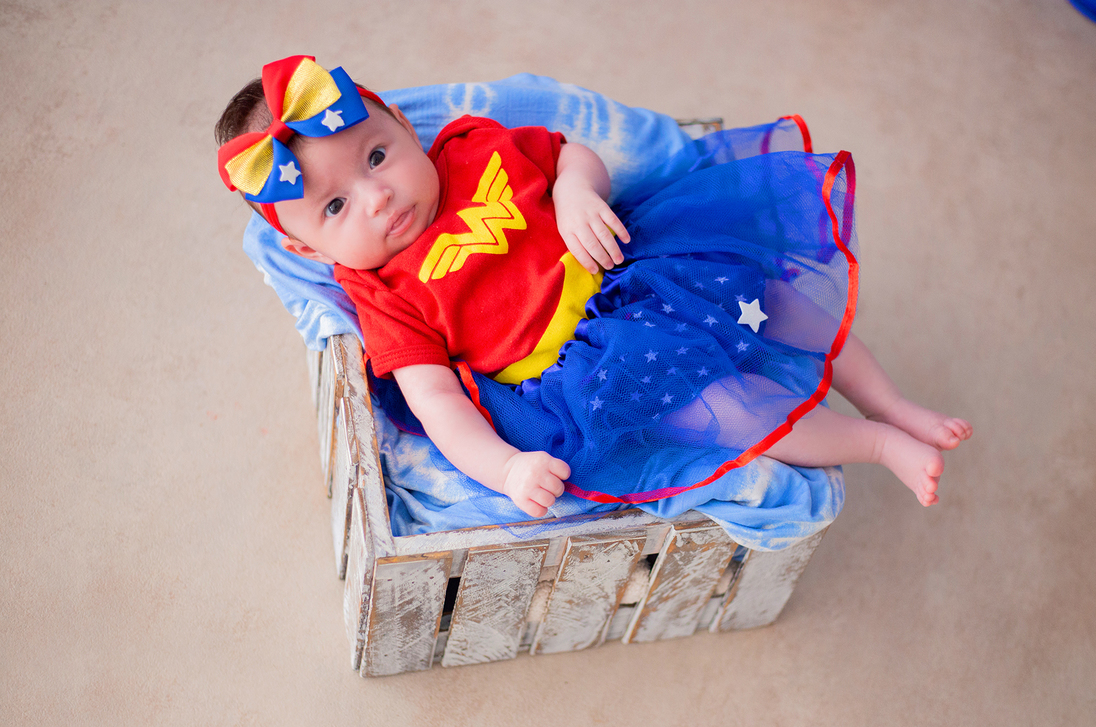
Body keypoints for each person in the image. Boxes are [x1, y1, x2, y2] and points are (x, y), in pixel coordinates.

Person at [216, 56, 972, 519]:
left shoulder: (472, 150)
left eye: (376, 154)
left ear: (403, 129)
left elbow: (573, 156)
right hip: (593, 368)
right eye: (337, 207)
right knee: (728, 413)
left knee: (777, 298)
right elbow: (438, 405)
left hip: (641, 268)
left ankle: (887, 400)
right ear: (301, 244)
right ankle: (871, 444)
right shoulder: (384, 296)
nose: (376, 196)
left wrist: (578, 192)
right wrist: (505, 468)